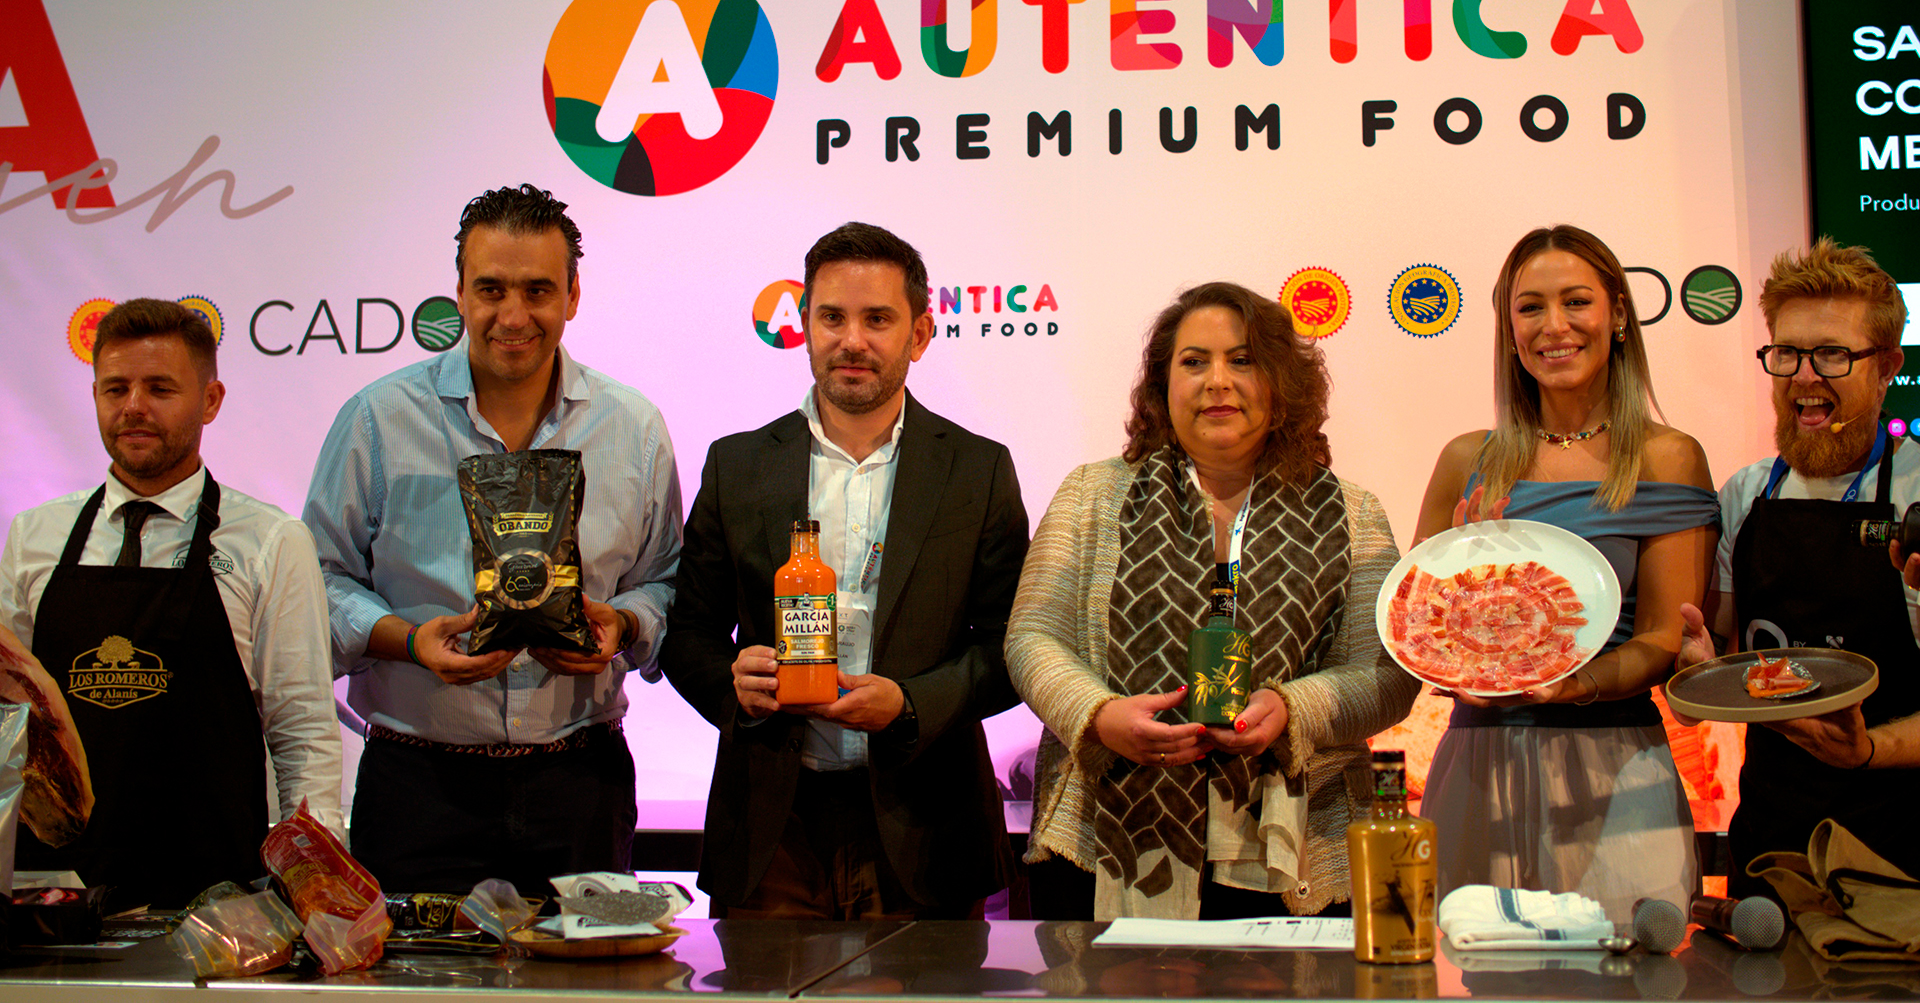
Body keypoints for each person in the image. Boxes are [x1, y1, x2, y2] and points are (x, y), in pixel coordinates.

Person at [304, 184, 681, 894]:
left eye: (538, 290)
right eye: (491, 289)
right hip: (417, 786)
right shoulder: (376, 420)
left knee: (588, 967)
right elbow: (318, 581)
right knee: (416, 967)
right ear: (459, 293)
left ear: (572, 296)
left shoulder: (633, 428)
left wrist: (624, 624)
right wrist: (408, 641)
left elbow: (666, 579)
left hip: (582, 783)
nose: (513, 315)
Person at [1006, 281, 1417, 921]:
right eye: (1194, 361)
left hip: (1298, 851)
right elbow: (1033, 637)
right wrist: (1100, 716)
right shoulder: (1092, 494)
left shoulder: (1353, 512)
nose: (1217, 381)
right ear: (1162, 385)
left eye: (1243, 360)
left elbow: (1387, 672)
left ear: (1282, 381)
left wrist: (1292, 709)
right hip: (1101, 840)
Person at [659, 221, 1029, 919]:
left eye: (877, 319)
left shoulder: (977, 469)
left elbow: (1013, 647)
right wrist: (733, 685)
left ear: (920, 334)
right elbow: (687, 633)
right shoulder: (738, 464)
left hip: (929, 824)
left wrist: (910, 704)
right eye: (832, 317)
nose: (851, 340)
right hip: (772, 830)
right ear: (804, 326)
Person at [1413, 224, 1717, 922]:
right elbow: (1421, 636)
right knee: (1472, 963)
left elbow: (1663, 636)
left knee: (1630, 966)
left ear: (1618, 314)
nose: (1554, 326)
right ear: (1508, 329)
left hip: (1615, 765)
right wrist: (1461, 611)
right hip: (1476, 765)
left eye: (1576, 301)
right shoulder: (1465, 460)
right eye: (1530, 307)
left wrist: (1574, 685)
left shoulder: (1669, 457)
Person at [0, 298, 341, 908]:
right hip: (57, 895)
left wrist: (316, 883)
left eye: (160, 388)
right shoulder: (34, 534)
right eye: (115, 389)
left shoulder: (271, 540)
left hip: (216, 900)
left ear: (210, 400)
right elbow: (9, 717)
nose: (134, 406)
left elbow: (303, 730)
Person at [1679, 237, 1920, 893]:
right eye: (1786, 353)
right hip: (1770, 857)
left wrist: (1869, 751)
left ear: (1887, 365)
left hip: (1903, 861)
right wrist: (1695, 669)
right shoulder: (1745, 494)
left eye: (1833, 354)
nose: (1804, 376)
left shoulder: (1916, 495)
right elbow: (1716, 665)